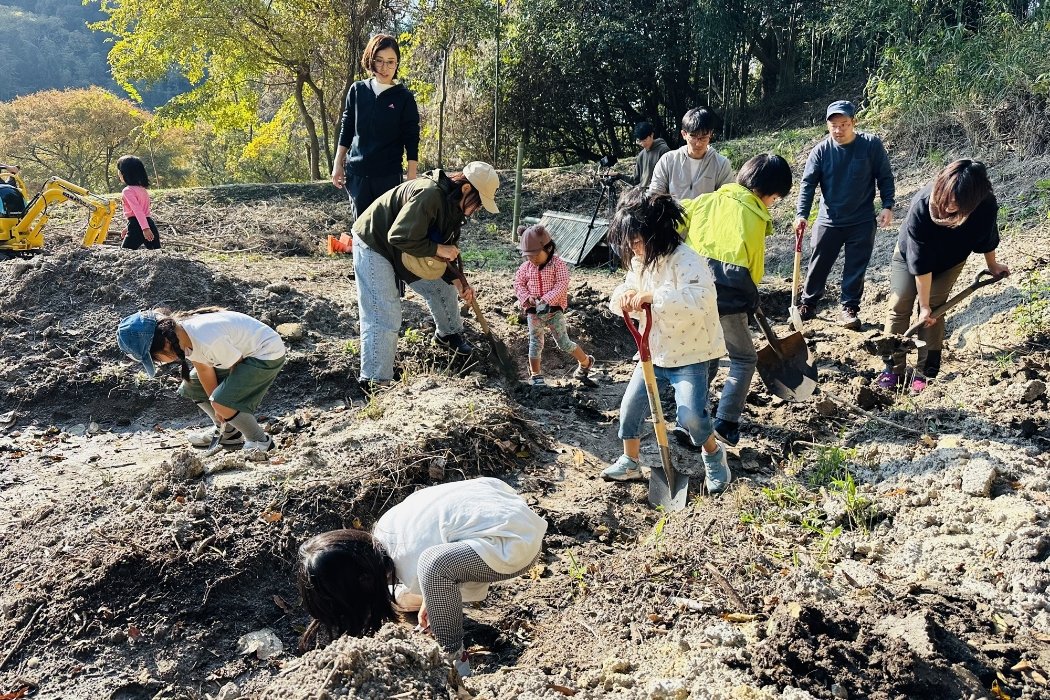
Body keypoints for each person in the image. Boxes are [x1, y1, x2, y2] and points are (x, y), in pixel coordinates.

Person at [297, 477, 547, 677]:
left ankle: (454, 654)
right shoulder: (385, 528)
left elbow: (433, 567)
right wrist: (432, 598)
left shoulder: (417, 565)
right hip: (503, 504)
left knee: (433, 567)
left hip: (517, 544)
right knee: (413, 588)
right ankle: (435, 594)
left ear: (363, 583)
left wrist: (439, 608)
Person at [601, 188, 730, 494]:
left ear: (655, 232)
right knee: (630, 409)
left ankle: (713, 454)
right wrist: (625, 298)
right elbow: (626, 289)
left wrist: (654, 297)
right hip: (654, 352)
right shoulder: (640, 262)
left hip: (691, 353)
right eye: (628, 244)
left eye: (636, 241)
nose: (632, 249)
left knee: (691, 417)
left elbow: (701, 298)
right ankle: (631, 460)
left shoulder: (686, 259)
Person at [351, 162, 500, 388]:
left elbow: (445, 249)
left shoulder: (454, 207)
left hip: (407, 246)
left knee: (443, 288)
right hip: (376, 242)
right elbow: (399, 236)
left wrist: (458, 281)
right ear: (467, 189)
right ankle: (375, 380)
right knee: (384, 312)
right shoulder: (430, 194)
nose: (477, 210)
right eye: (478, 203)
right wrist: (440, 250)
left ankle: (448, 336)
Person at [680, 154, 793, 446]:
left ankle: (689, 420)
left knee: (704, 356)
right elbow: (752, 267)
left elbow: (679, 219)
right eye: (775, 198)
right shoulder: (754, 216)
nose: (773, 204)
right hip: (727, 295)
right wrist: (751, 297)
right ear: (767, 193)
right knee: (744, 358)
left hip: (690, 291)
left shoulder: (707, 200)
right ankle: (726, 422)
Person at [879, 159, 1009, 394]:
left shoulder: (985, 206)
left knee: (934, 312)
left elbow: (987, 237)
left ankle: (924, 371)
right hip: (910, 257)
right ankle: (892, 367)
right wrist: (923, 304)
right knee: (900, 304)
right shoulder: (922, 204)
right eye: (947, 196)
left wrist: (992, 265)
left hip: (950, 262)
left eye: (958, 201)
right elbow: (921, 263)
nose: (949, 204)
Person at [116, 307, 286, 453]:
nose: (158, 363)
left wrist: (222, 404)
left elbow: (236, 365)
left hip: (265, 354)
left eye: (155, 359)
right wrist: (218, 404)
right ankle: (229, 432)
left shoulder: (207, 339)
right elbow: (204, 368)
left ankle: (260, 441)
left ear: (165, 343)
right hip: (238, 355)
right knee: (192, 386)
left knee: (223, 402)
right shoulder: (183, 336)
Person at [794, 100, 895, 329]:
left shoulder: (870, 145)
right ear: (827, 125)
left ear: (853, 123)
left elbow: (885, 177)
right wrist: (802, 214)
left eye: (844, 124)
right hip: (829, 219)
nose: (838, 130)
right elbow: (808, 184)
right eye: (833, 125)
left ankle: (849, 308)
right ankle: (807, 305)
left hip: (861, 219)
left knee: (855, 266)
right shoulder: (821, 151)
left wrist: (887, 205)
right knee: (818, 264)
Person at [331, 34, 420, 219]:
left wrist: (411, 178)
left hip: (388, 177)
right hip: (357, 175)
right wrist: (337, 163)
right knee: (361, 232)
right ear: (370, 60)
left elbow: (411, 138)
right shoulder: (357, 90)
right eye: (379, 61)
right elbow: (347, 128)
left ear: (397, 64)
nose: (384, 67)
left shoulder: (404, 98)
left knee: (385, 234)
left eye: (391, 62)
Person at [513, 224, 595, 386]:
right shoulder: (526, 268)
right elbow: (518, 284)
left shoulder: (558, 265)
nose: (532, 259)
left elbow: (562, 284)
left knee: (563, 343)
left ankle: (585, 362)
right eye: (528, 256)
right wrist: (527, 297)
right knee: (535, 342)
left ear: (548, 248)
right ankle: (536, 375)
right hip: (534, 312)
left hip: (554, 311)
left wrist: (546, 299)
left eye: (536, 255)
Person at [647, 107, 733, 201]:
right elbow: (655, 194)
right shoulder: (668, 160)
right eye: (694, 137)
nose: (698, 143)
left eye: (703, 137)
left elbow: (727, 198)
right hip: (675, 215)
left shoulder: (721, 164)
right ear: (684, 134)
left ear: (711, 134)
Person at [116, 154, 161, 250]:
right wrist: (128, 228)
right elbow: (143, 213)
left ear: (125, 173)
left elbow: (138, 211)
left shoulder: (127, 191)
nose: (118, 173)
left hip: (138, 226)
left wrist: (144, 229)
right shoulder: (142, 189)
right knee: (157, 253)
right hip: (149, 224)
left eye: (119, 170)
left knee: (125, 253)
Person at [610, 121, 670, 190]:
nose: (642, 144)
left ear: (652, 135)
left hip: (659, 194)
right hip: (644, 195)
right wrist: (618, 175)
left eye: (644, 140)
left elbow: (670, 178)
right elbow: (635, 180)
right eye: (639, 141)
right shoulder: (641, 155)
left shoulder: (664, 151)